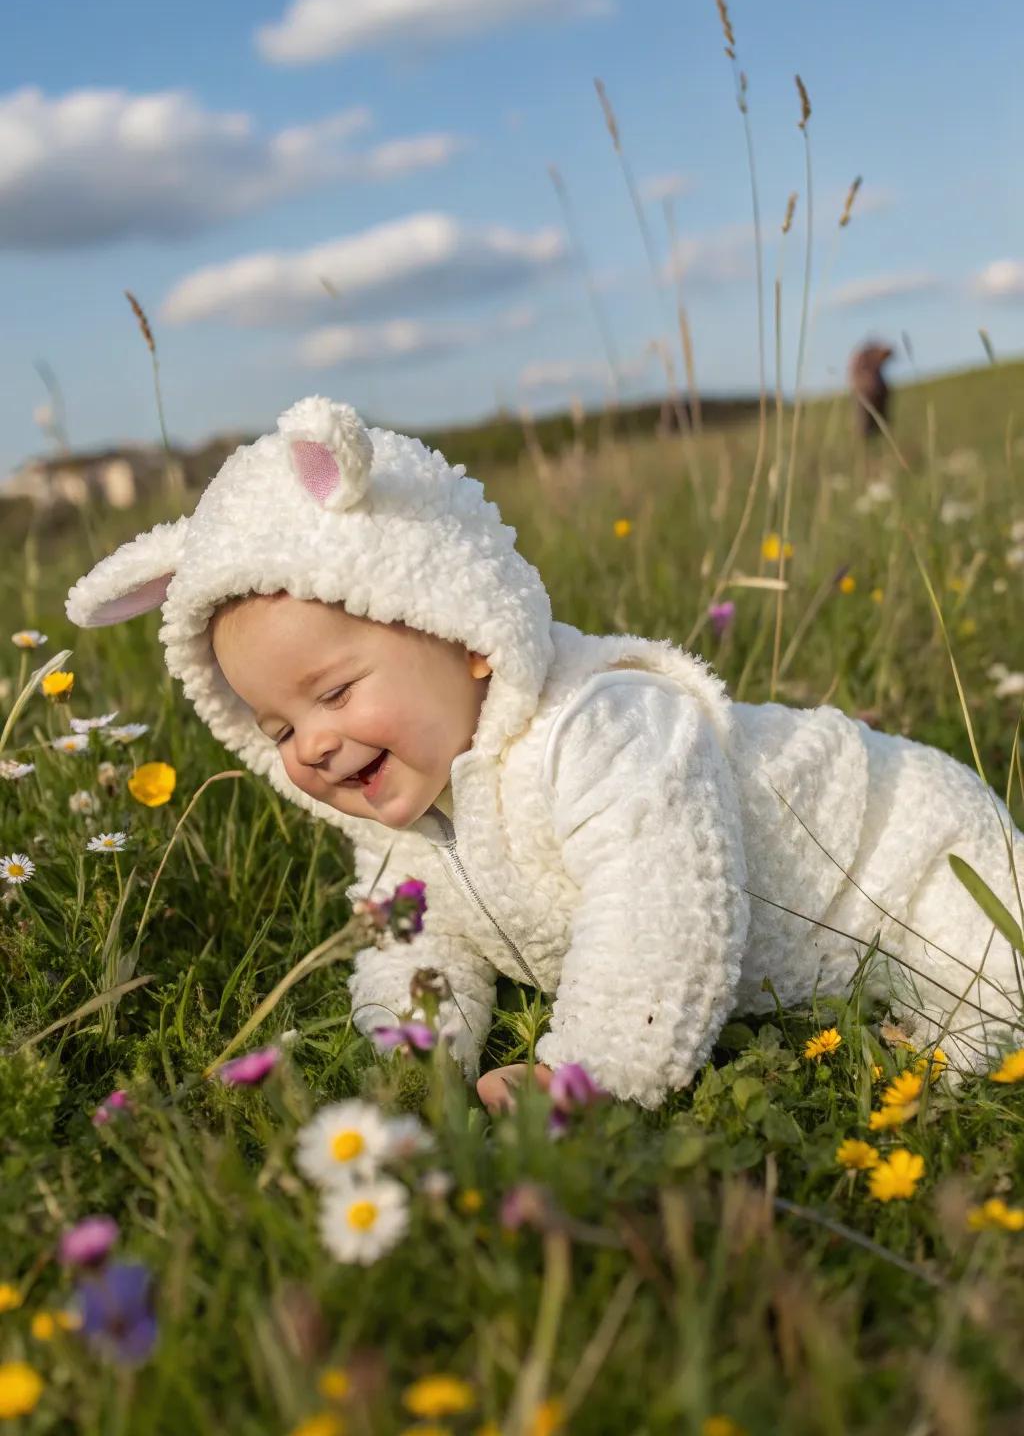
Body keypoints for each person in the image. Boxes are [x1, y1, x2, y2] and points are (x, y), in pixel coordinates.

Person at [65, 397, 1024, 1112]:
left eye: (334, 693)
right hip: (807, 948)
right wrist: (417, 1060)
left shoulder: (602, 730)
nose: (311, 743)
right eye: (276, 728)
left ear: (464, 632)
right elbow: (416, 944)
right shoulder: (409, 808)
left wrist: (588, 1075)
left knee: (988, 1006)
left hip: (904, 855)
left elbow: (664, 912)